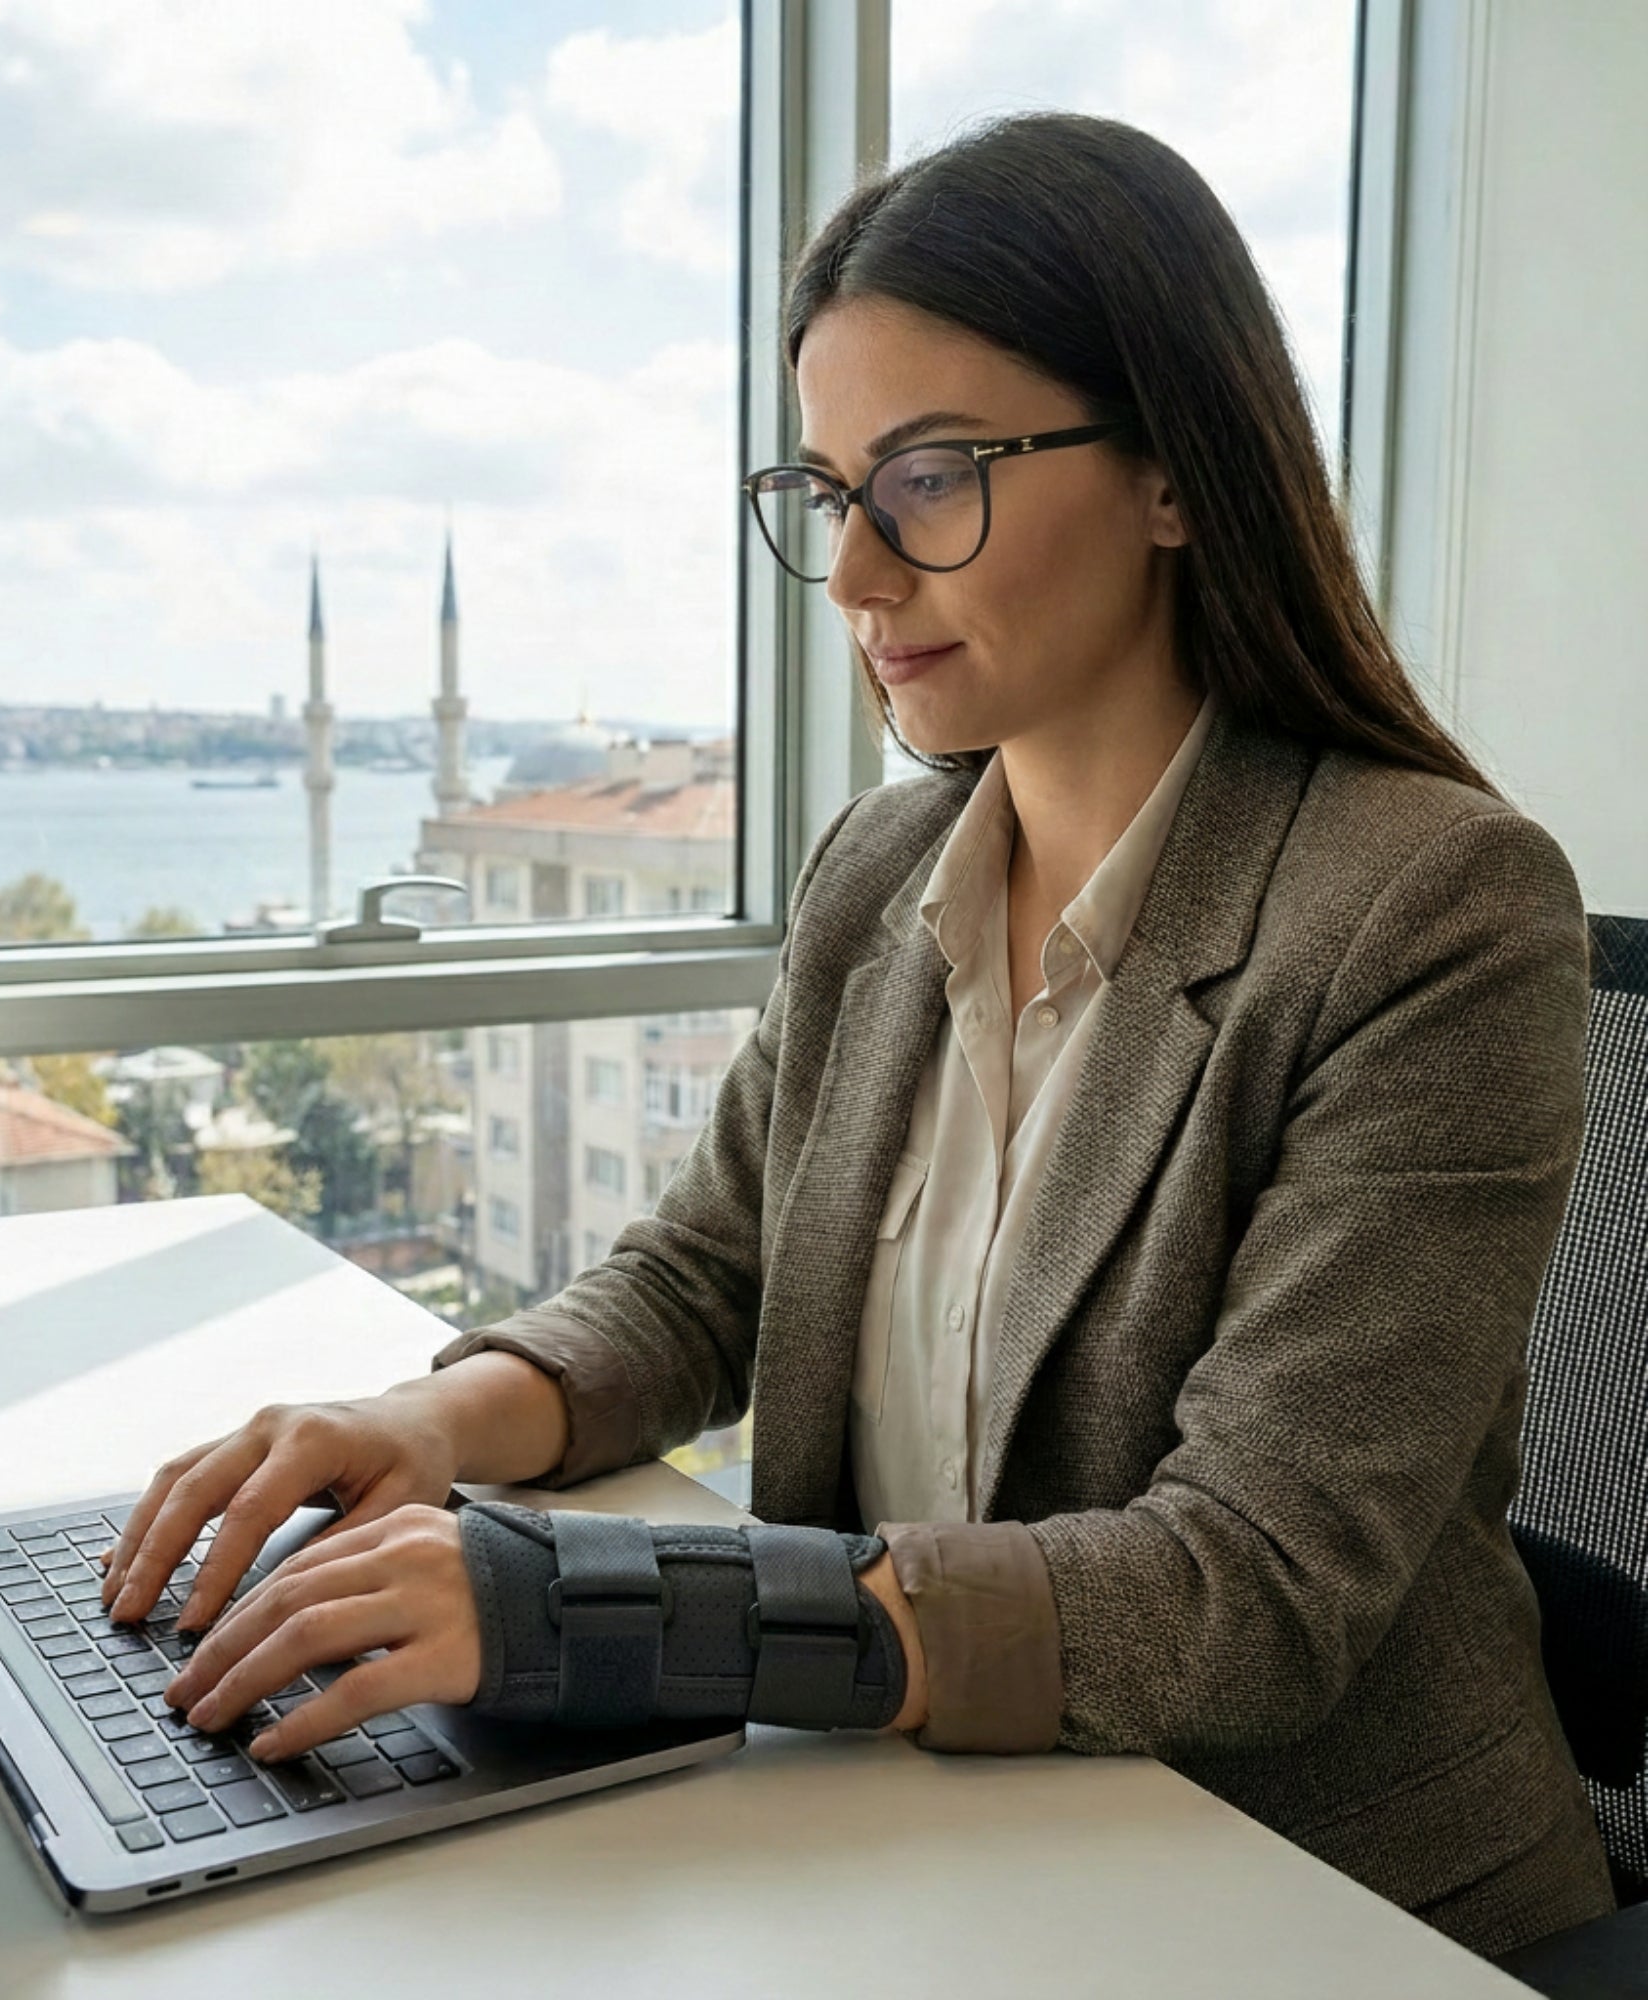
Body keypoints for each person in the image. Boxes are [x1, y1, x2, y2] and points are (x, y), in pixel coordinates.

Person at [99, 111, 1612, 1958]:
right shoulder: (883, 865)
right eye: (829, 494)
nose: (855, 578)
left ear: (1175, 475)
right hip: (918, 1846)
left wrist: (596, 1609)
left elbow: (1252, 1586)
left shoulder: (1432, 910)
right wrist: (420, 1423)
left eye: (932, 477)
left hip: (1307, 1903)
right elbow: (705, 1279)